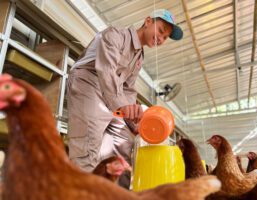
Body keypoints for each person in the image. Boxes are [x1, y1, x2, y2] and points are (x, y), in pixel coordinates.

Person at [67, 9, 183, 188]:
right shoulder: (115, 35)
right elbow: (106, 70)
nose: (161, 38)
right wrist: (122, 106)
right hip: (88, 83)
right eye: (161, 30)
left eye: (165, 37)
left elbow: (127, 89)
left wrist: (134, 123)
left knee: (124, 142)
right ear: (147, 22)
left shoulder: (139, 57)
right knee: (87, 145)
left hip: (111, 95)